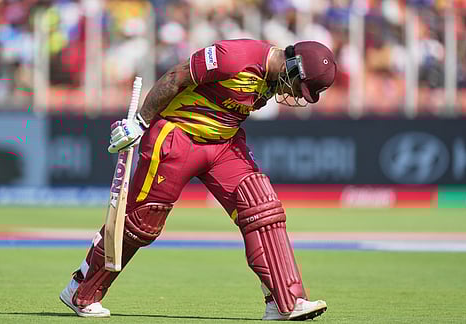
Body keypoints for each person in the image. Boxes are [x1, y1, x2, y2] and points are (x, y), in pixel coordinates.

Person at [60, 39, 336, 321]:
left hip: (224, 143)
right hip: (177, 135)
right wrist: (139, 123)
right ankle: (81, 290)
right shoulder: (235, 56)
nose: (295, 95)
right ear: (292, 66)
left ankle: (285, 301)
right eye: (298, 87)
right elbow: (175, 77)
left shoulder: (270, 81)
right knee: (141, 223)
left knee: (262, 207)